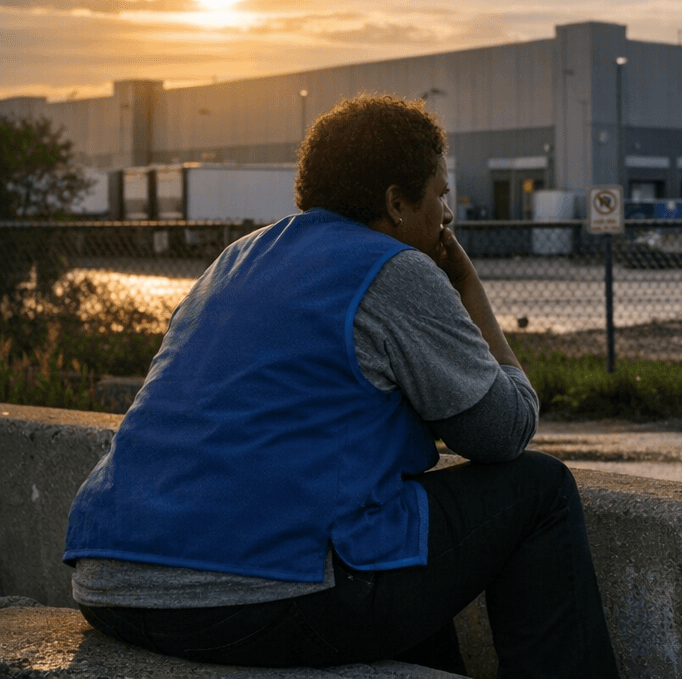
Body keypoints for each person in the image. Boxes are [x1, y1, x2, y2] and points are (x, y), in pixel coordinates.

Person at [64, 94, 621, 679]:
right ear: (397, 203)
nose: (448, 215)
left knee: (398, 519)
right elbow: (504, 431)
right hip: (259, 600)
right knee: (542, 488)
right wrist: (469, 288)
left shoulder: (235, 260)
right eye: (440, 194)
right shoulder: (394, 268)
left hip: (112, 585)